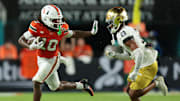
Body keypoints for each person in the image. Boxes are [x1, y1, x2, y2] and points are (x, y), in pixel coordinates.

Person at [18, 4, 98, 101]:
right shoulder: (37, 26)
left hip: (52, 59)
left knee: (36, 81)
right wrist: (30, 46)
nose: (58, 23)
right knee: (55, 87)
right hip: (41, 59)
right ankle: (82, 85)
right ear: (46, 18)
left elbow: (75, 33)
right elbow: (21, 40)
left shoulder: (60, 29)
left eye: (59, 20)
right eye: (55, 20)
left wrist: (91, 33)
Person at [104, 7, 168, 101]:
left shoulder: (124, 34)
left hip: (147, 64)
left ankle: (157, 83)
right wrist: (115, 55)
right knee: (129, 90)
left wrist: (136, 71)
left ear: (118, 20)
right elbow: (130, 56)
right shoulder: (123, 32)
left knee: (133, 94)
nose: (110, 25)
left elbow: (139, 53)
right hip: (142, 62)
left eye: (111, 22)